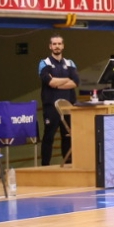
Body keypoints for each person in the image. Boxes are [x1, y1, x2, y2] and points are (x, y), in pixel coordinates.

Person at [38, 35, 78, 165]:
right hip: (51, 106)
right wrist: (67, 79)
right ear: (50, 46)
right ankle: (45, 165)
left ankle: (68, 163)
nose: (57, 46)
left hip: (68, 106)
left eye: (59, 44)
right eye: (54, 44)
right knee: (49, 137)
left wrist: (57, 82)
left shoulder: (70, 63)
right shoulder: (44, 63)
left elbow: (76, 82)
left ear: (63, 46)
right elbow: (50, 82)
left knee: (67, 136)